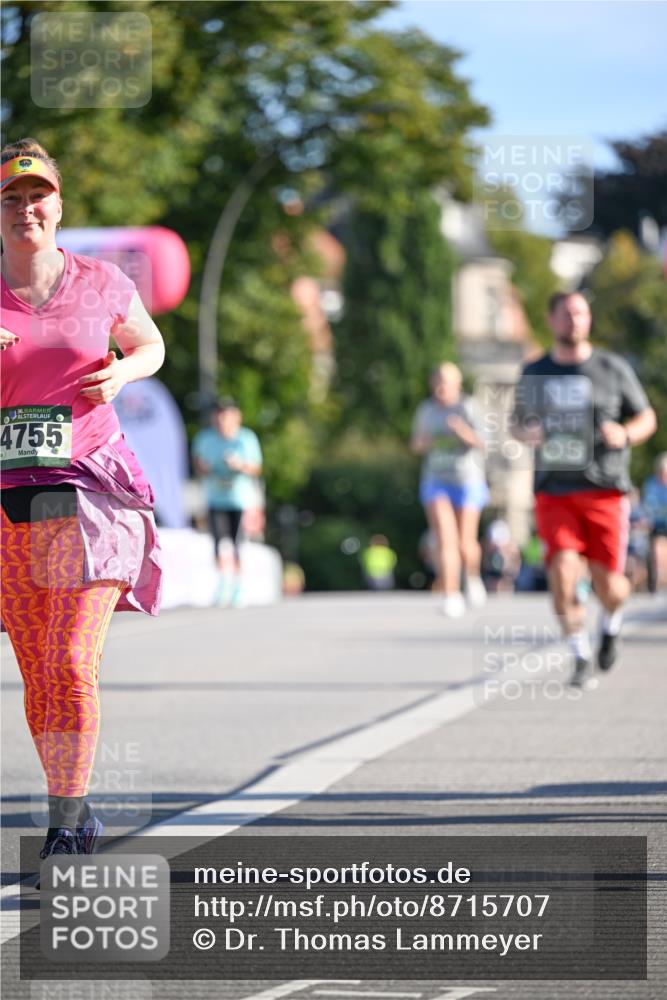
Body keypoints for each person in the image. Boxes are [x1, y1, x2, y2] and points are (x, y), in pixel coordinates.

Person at [0, 139, 164, 858]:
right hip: (9, 499)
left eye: (37, 196)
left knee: (69, 661)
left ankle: (64, 825)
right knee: (38, 673)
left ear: (59, 206)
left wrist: (123, 372)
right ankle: (76, 802)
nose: (25, 209)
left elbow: (151, 344)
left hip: (88, 490)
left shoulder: (100, 282)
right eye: (10, 199)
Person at [512, 291, 656, 688]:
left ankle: (611, 621)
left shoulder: (611, 367)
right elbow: (516, 423)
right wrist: (528, 432)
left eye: (581, 313)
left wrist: (625, 433)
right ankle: (579, 655)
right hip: (555, 489)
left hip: (605, 489)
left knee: (610, 586)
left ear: (588, 319)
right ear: (551, 320)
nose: (574, 320)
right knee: (561, 574)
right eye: (566, 313)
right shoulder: (536, 371)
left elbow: (647, 417)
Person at [411, 362, 489, 617]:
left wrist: (462, 431)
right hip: (436, 481)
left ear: (457, 384)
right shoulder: (426, 410)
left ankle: (472, 576)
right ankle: (451, 594)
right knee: (445, 538)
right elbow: (416, 446)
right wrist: (423, 441)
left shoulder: (468, 407)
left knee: (465, 541)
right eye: (437, 382)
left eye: (446, 382)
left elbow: (484, 443)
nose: (440, 387)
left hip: (467, 480)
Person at [191, 398, 263, 607]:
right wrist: (205, 467)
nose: (222, 419)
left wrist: (239, 465)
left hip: (239, 500)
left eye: (226, 415)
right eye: (219, 415)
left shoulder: (246, 438)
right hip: (215, 498)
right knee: (219, 543)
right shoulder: (205, 439)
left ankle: (238, 585)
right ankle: (223, 582)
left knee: (237, 543)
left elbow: (256, 468)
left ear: (236, 417)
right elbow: (198, 464)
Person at [642, 452, 667, 592]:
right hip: (657, 525)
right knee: (656, 550)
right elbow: (648, 506)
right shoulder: (651, 485)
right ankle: (656, 582)